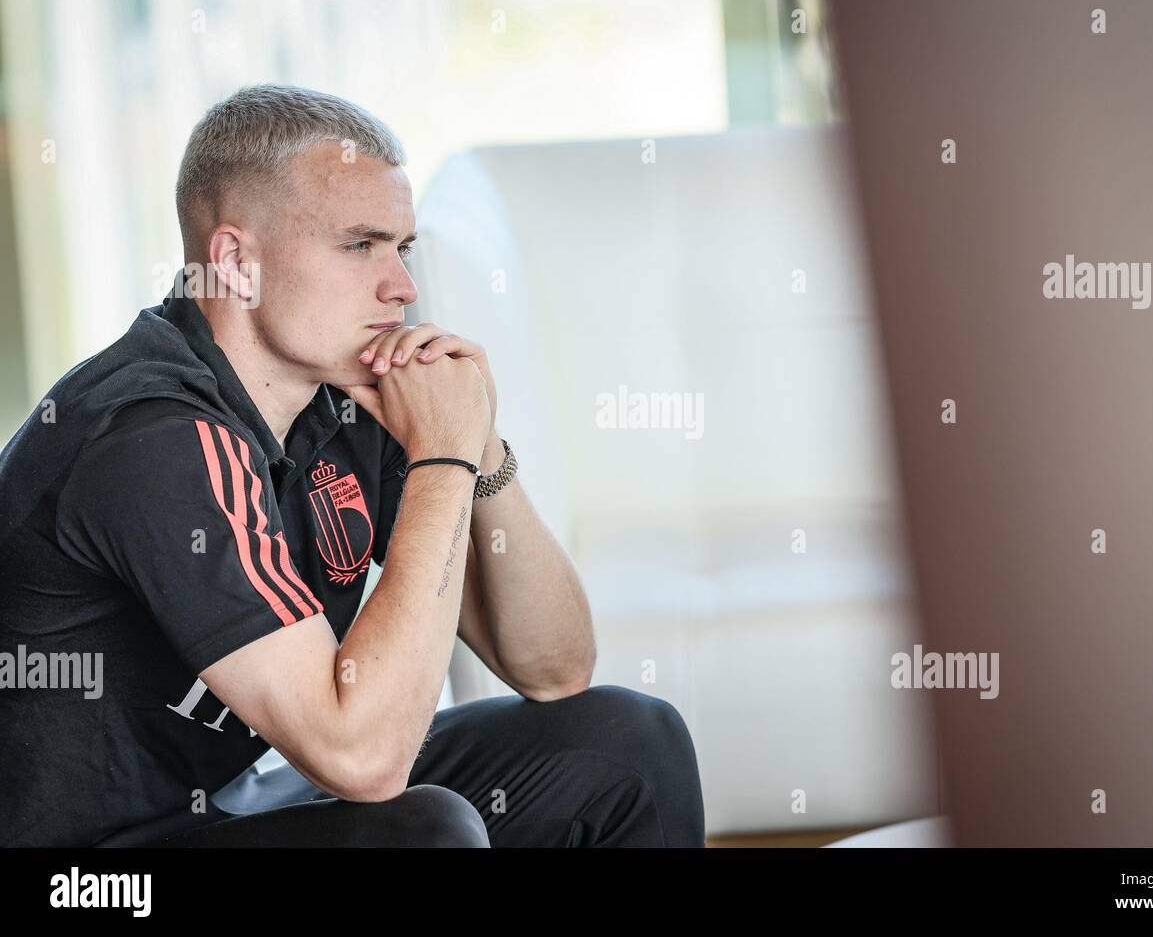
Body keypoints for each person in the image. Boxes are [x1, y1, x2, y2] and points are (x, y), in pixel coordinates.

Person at [0, 84, 706, 847]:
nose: (402, 285)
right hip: (86, 872)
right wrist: (440, 458)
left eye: (402, 248)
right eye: (359, 245)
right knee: (422, 831)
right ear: (236, 261)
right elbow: (363, 761)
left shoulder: (344, 400)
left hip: (229, 800)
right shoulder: (151, 438)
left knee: (628, 742)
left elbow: (555, 668)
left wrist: (479, 446)